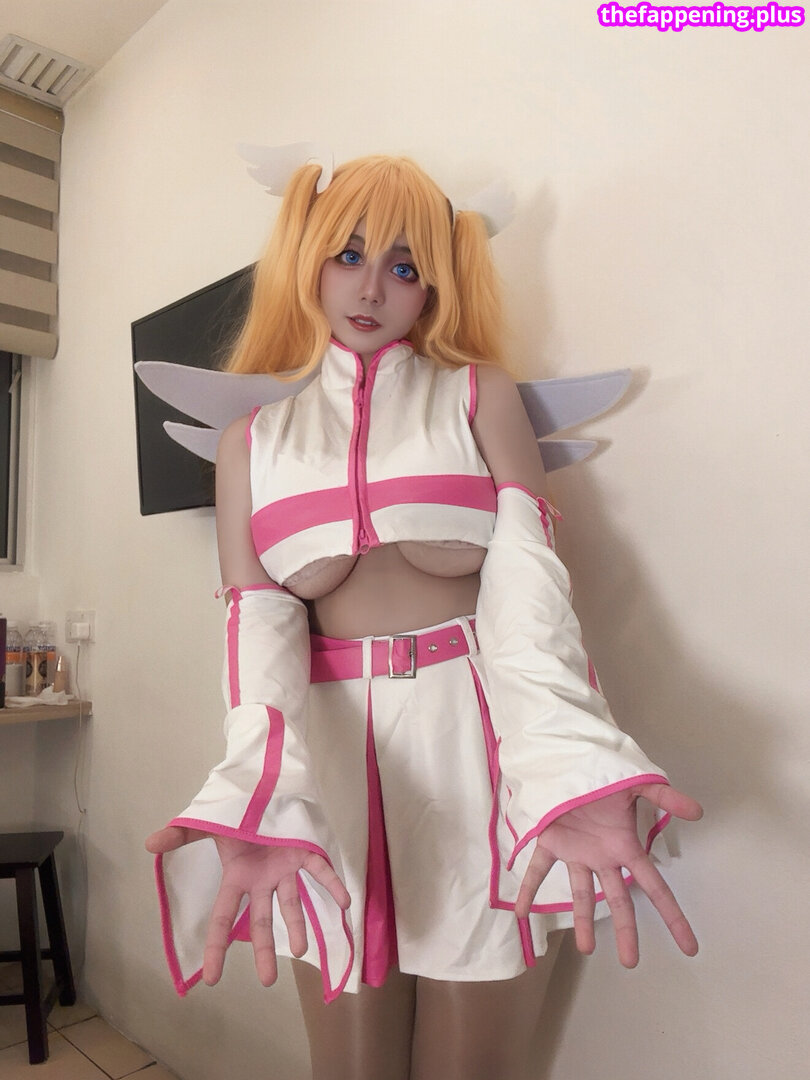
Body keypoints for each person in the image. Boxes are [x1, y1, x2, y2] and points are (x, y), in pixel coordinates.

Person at [146, 154, 702, 1080]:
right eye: (349, 254)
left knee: (468, 1062)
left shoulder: (478, 392)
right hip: (329, 744)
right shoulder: (252, 441)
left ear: (435, 284)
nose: (372, 288)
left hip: (473, 734)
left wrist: (566, 758)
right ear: (307, 260)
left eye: (404, 267)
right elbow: (258, 628)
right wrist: (259, 787)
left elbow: (529, 587)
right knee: (350, 1063)